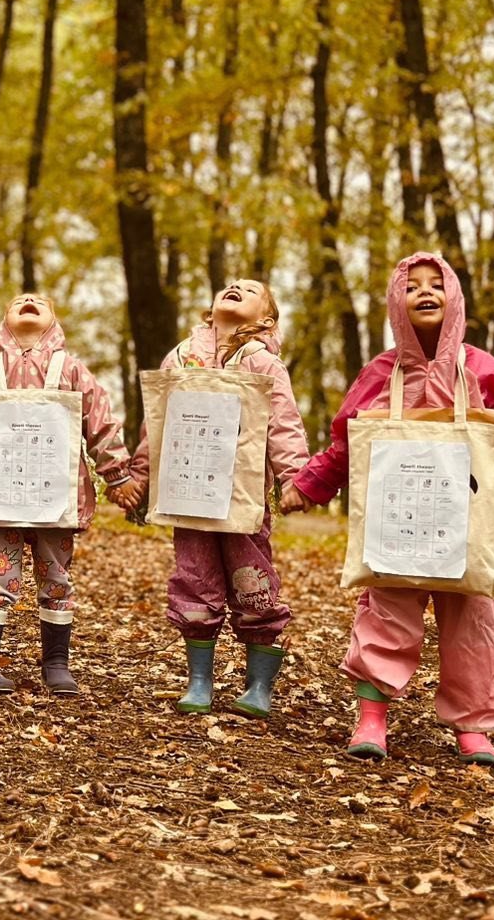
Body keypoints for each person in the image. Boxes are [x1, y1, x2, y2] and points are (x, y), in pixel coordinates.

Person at [280, 253, 494, 765]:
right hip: (396, 524)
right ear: (395, 303)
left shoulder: (484, 370)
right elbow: (346, 442)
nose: (425, 292)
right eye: (411, 285)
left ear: (456, 299)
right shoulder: (381, 372)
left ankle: (474, 726)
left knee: (476, 626)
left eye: (436, 284)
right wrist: (309, 486)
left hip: (469, 529)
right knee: (387, 617)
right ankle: (372, 716)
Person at [0, 293, 132, 695]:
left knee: (56, 578)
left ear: (53, 321)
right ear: (5, 320)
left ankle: (56, 663)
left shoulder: (73, 371)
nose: (28, 301)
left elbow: (101, 424)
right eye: (18, 301)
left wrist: (118, 476)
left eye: (39, 301)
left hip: (57, 499)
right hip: (2, 498)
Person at [114, 279, 308, 718]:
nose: (235, 287)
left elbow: (285, 423)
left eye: (251, 290)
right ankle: (199, 678)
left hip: (243, 498)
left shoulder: (264, 364)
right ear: (210, 308)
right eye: (229, 286)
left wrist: (295, 476)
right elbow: (157, 424)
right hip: (189, 493)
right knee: (194, 579)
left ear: (266, 320)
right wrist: (142, 475)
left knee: (251, 579)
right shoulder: (181, 358)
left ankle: (259, 684)